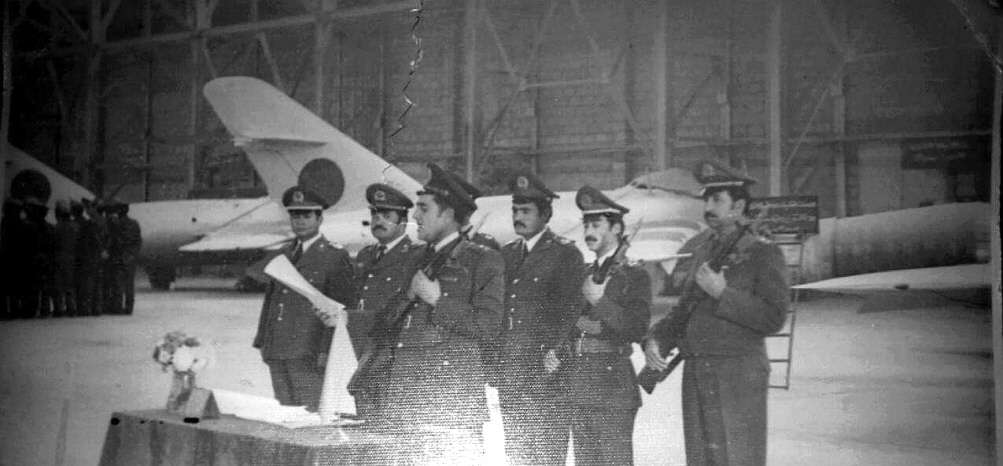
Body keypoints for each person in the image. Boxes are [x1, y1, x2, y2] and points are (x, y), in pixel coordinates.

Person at [643, 160, 789, 466]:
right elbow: (686, 309)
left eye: (717, 200)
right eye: (706, 199)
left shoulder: (763, 252)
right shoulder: (703, 250)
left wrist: (724, 293)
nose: (708, 206)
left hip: (737, 376)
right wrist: (656, 339)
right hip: (698, 374)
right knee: (702, 458)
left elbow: (774, 317)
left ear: (738, 205)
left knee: (738, 458)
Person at [378, 162, 503, 464]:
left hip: (451, 403)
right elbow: (386, 323)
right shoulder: (416, 258)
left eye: (423, 208)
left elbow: (489, 326)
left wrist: (438, 300)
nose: (415, 216)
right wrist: (408, 295)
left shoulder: (483, 260)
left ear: (447, 215)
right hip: (405, 398)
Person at [547, 185, 650, 466]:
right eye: (586, 224)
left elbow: (637, 328)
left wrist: (601, 302)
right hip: (580, 387)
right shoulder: (587, 273)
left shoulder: (635, 275)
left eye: (597, 224)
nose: (589, 231)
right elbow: (575, 323)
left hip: (612, 389)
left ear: (617, 228)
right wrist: (558, 350)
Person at [496, 172, 584, 466]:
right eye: (515, 211)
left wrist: (553, 353)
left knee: (546, 455)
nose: (518, 217)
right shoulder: (506, 254)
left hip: (546, 374)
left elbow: (570, 312)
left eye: (525, 211)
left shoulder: (564, 254)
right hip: (512, 373)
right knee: (517, 454)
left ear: (545, 214)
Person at [253, 185, 357, 412]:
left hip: (308, 351)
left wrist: (325, 352)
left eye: (306, 216)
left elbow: (342, 308)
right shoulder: (283, 254)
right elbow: (272, 300)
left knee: (310, 416)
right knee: (284, 414)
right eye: (295, 215)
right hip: (278, 349)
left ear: (320, 219)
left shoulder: (334, 256)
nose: (300, 221)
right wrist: (263, 341)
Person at [348, 183, 421, 418]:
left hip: (391, 356)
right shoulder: (365, 255)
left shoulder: (415, 255)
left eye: (386, 215)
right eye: (374, 214)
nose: (378, 220)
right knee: (363, 418)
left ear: (402, 221)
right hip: (361, 350)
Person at [80, 198, 109, 316]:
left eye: (89, 207)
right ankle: (97, 308)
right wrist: (105, 250)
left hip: (92, 255)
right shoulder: (104, 221)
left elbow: (92, 239)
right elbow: (107, 238)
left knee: (90, 283)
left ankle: (88, 308)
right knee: (98, 283)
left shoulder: (91, 223)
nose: (87, 210)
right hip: (101, 256)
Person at [111, 202, 142, 315]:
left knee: (118, 284)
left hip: (119, 257)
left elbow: (114, 241)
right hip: (130, 257)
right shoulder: (134, 224)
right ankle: (129, 308)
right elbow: (138, 241)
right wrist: (133, 254)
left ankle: (118, 308)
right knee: (129, 285)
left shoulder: (116, 224)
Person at [52, 200, 80, 317]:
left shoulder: (56, 227)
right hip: (72, 258)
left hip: (59, 258)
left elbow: (54, 244)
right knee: (70, 285)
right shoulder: (76, 227)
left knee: (58, 284)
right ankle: (71, 307)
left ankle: (59, 308)